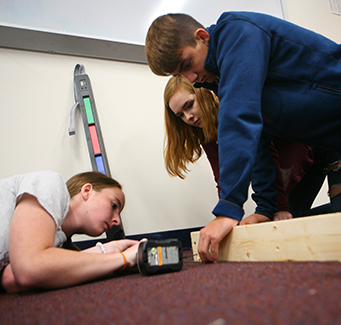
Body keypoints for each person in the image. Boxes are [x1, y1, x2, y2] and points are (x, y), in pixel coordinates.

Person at [146, 12, 341, 263]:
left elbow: (240, 118)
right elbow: (259, 143)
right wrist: (266, 208)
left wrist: (228, 209)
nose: (191, 79)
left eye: (186, 65)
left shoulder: (236, 32)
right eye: (180, 75)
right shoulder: (217, 79)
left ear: (202, 37)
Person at [163, 75, 321, 223]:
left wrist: (279, 206)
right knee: (290, 218)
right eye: (180, 115)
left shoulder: (234, 110)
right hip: (279, 167)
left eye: (189, 105)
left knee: (287, 217)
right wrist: (224, 216)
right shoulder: (207, 131)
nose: (188, 117)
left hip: (308, 148)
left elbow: (264, 154)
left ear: (202, 92)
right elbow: (222, 176)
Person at [0, 170, 142, 293]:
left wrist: (109, 250)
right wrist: (123, 258)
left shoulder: (56, 244)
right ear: (87, 191)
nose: (117, 220)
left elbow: (10, 279)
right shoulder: (50, 182)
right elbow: (29, 268)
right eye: (113, 205)